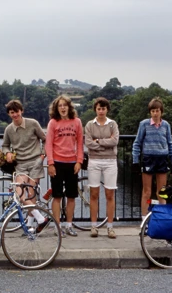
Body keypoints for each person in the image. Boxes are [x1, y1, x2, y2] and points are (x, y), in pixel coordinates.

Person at [2, 99, 50, 233]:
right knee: (19, 194)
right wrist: (8, 153)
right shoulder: (9, 129)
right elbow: (5, 145)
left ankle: (30, 225)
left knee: (31, 193)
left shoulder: (33, 123)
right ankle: (41, 219)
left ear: (21, 111)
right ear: (9, 114)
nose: (15, 115)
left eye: (17, 112)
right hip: (20, 164)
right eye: (12, 113)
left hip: (35, 162)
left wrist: (42, 155)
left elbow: (45, 139)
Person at [132, 97, 172, 223]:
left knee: (162, 192)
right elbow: (137, 143)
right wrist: (135, 161)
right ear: (150, 112)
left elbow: (170, 143)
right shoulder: (144, 124)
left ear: (161, 111)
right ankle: (144, 220)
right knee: (147, 192)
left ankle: (162, 218)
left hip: (162, 159)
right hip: (148, 159)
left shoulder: (166, 125)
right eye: (152, 111)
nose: (155, 113)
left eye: (157, 111)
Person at [45, 95, 84, 237]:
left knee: (71, 196)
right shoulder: (53, 123)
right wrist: (50, 163)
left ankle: (69, 225)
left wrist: (79, 161)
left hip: (72, 163)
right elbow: (48, 144)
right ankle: (57, 226)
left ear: (69, 107)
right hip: (57, 163)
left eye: (65, 105)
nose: (62, 108)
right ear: (56, 108)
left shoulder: (77, 122)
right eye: (60, 105)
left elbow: (80, 143)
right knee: (57, 196)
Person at [84, 97, 119, 239]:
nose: (101, 111)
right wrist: (106, 143)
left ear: (107, 110)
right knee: (94, 194)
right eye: (99, 108)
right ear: (95, 110)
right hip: (94, 161)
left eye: (103, 108)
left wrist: (97, 141)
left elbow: (115, 141)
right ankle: (94, 226)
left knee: (110, 194)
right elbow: (88, 143)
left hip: (110, 161)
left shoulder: (113, 124)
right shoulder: (89, 125)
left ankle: (110, 227)